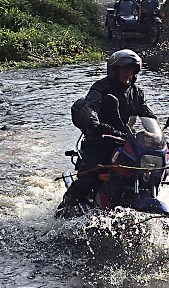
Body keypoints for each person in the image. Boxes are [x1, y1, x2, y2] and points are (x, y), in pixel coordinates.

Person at [58, 49, 157, 213]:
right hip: (101, 140)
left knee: (154, 171)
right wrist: (95, 124)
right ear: (115, 69)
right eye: (125, 68)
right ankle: (64, 208)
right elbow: (90, 106)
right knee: (88, 177)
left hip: (126, 142)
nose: (128, 73)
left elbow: (147, 114)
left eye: (132, 70)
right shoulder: (101, 87)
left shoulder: (137, 92)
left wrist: (156, 133)